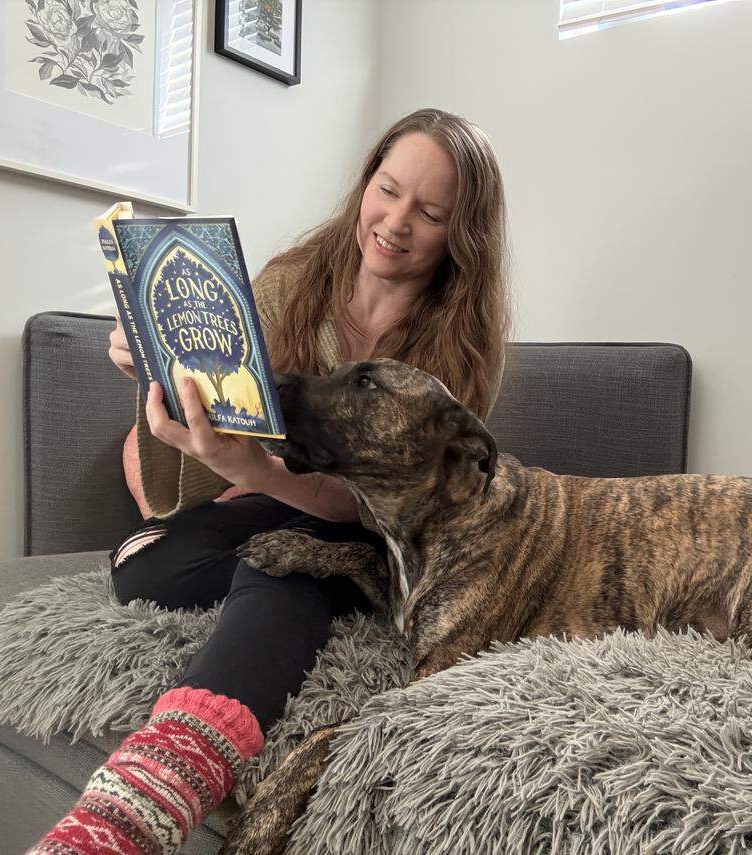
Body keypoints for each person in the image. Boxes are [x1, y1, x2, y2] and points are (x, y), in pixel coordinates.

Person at [31, 107, 512, 855]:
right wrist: (157, 373)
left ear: (463, 234)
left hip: (371, 528)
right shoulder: (292, 281)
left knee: (291, 558)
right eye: (386, 189)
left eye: (431, 212)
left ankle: (138, 805)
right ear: (365, 184)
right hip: (262, 497)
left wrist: (257, 474)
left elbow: (386, 503)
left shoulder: (464, 344)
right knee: (141, 566)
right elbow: (211, 434)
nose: (394, 220)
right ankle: (290, 588)